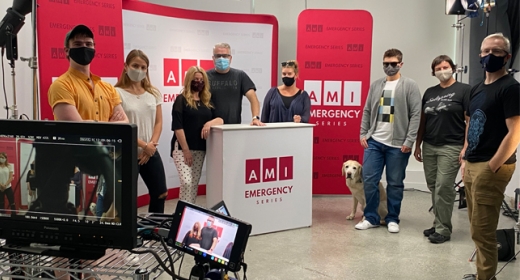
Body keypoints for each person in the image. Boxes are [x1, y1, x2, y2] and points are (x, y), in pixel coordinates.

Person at [461, 33, 520, 280]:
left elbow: (515, 131)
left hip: (492, 166)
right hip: (473, 163)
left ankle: (486, 278)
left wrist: (493, 165)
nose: (489, 56)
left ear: (506, 57)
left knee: (483, 230)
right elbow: (470, 122)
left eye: (496, 52)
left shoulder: (511, 88)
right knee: (476, 227)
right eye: (485, 51)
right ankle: (482, 275)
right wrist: (465, 154)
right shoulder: (476, 88)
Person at [357, 48, 422, 233]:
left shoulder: (410, 85)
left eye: (393, 64)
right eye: (386, 64)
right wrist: (364, 133)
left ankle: (392, 218)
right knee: (369, 180)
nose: (390, 67)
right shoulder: (376, 85)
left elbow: (416, 114)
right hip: (375, 141)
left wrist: (409, 140)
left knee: (395, 183)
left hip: (398, 144)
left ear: (401, 64)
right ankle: (371, 217)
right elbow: (367, 109)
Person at [414, 55, 471, 244]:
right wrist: (418, 145)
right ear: (433, 72)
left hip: (452, 146)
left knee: (444, 187)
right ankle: (439, 222)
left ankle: (443, 230)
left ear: (453, 68)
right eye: (438, 68)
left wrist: (465, 147)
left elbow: (469, 120)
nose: (442, 71)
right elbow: (423, 120)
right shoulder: (430, 92)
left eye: (445, 67)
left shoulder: (464, 91)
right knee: (433, 186)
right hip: (430, 145)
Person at [115, 49, 168, 213]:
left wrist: (150, 146)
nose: (139, 70)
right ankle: (129, 235)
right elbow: (120, 126)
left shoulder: (153, 93)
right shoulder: (117, 93)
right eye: (135, 66)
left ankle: (154, 230)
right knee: (126, 198)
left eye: (143, 67)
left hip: (151, 151)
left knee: (161, 193)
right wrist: (143, 145)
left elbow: (158, 122)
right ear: (126, 66)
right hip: (128, 153)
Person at [48, 24, 128, 123]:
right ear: (67, 51)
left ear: (94, 48)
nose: (84, 47)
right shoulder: (61, 85)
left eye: (88, 44)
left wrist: (91, 124)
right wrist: (110, 125)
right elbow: (77, 129)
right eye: (78, 44)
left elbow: (125, 123)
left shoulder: (108, 88)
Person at [171, 66, 223, 204]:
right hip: (182, 148)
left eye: (201, 80)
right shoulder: (181, 100)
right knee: (186, 182)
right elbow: (178, 127)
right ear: (189, 80)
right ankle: (182, 213)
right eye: (195, 80)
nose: (198, 82)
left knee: (194, 184)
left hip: (200, 148)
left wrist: (209, 123)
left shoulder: (207, 101)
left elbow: (220, 119)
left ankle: (188, 211)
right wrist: (186, 151)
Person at [207, 43, 264, 126]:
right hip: (210, 128)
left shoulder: (240, 75)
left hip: (233, 127)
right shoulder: (205, 77)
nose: (221, 58)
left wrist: (255, 118)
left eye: (225, 56)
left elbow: (253, 98)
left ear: (230, 58)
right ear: (213, 58)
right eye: (218, 56)